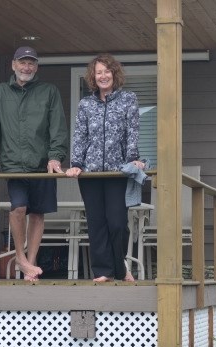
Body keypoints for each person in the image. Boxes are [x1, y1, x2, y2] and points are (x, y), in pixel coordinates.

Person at [0, 46, 68, 281]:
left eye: (31, 63)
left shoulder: (48, 91)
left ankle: (30, 265)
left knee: (38, 214)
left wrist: (55, 156)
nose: (27, 67)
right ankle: (21, 259)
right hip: (13, 165)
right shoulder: (0, 93)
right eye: (22, 62)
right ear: (13, 65)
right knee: (19, 208)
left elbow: (58, 129)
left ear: (37, 67)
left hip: (43, 166)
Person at [65, 53, 145, 282]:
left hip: (117, 172)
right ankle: (103, 272)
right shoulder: (86, 104)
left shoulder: (128, 99)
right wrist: (76, 164)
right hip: (89, 173)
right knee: (96, 223)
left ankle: (119, 267)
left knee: (118, 223)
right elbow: (80, 136)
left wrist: (132, 159)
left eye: (107, 71)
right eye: (98, 72)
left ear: (114, 74)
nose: (103, 76)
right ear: (93, 76)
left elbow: (132, 132)